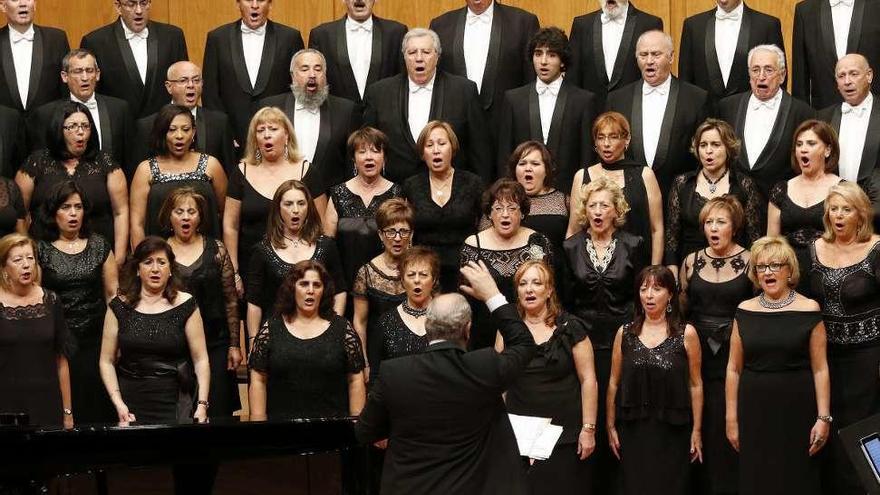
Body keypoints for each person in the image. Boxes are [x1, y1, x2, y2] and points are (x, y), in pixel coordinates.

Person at [355, 260, 538, 495]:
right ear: (468, 328)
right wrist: (492, 295)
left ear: (429, 325)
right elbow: (523, 344)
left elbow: (364, 432)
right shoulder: (485, 367)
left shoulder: (394, 373)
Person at [726, 236, 830, 495]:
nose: (768, 272)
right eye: (761, 267)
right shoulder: (744, 310)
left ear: (789, 270)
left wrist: (823, 417)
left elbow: (820, 368)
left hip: (798, 409)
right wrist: (731, 418)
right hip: (754, 410)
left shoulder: (809, 309)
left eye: (775, 265)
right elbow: (733, 368)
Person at [564, 173, 646, 494]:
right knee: (589, 417)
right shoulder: (570, 248)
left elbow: (641, 296)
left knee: (620, 416)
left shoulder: (634, 244)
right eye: (592, 205)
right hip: (583, 342)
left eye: (605, 205)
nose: (598, 211)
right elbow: (566, 301)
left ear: (617, 210)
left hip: (622, 341)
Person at [499, 260, 598, 495]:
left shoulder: (570, 327)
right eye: (523, 284)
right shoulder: (508, 328)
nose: (529, 289)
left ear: (550, 290)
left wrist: (589, 429)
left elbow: (589, 380)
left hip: (563, 435)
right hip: (519, 434)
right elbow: (499, 381)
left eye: (536, 283)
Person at [679, 196, 753, 495]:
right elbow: (682, 309)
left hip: (736, 354)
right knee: (703, 423)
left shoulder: (751, 260)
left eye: (720, 221)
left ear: (734, 227)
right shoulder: (691, 261)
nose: (713, 227)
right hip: (698, 356)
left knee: (731, 422)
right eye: (708, 222)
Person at [809, 182, 880, 495]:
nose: (838, 215)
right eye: (833, 209)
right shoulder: (813, 249)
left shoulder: (876, 249)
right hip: (827, 360)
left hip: (869, 360)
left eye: (846, 209)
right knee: (831, 435)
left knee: (865, 436)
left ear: (860, 213)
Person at [607, 265, 703, 495]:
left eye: (657, 289)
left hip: (673, 432)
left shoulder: (686, 334)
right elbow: (613, 382)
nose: (648, 295)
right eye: (643, 289)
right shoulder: (625, 333)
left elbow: (696, 384)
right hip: (633, 431)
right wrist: (610, 425)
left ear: (670, 294)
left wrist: (697, 430)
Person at [99, 236, 210, 424]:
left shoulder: (186, 304)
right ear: (137, 269)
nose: (155, 269)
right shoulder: (118, 306)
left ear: (170, 270)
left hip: (175, 400)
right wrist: (118, 402)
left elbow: (201, 360)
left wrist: (202, 405)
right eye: (148, 262)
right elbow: (106, 361)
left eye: (161, 262)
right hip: (129, 401)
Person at [363, 28, 493, 183]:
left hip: (451, 192)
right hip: (395, 192)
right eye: (412, 53)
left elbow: (480, 151)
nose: (419, 58)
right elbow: (367, 146)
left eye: (426, 52)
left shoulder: (464, 91)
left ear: (437, 56)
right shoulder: (379, 93)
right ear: (404, 57)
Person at [35, 181, 118, 424]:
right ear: (53, 212)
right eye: (65, 207)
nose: (73, 214)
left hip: (96, 338)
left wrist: (116, 338)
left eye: (78, 207)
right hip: (59, 340)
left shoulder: (99, 244)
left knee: (96, 405)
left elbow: (113, 295)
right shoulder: (41, 249)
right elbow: (39, 297)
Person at [223, 106, 326, 302]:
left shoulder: (307, 170)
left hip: (301, 270)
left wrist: (317, 265)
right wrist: (234, 271)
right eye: (260, 131)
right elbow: (230, 226)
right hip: (252, 269)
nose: (266, 135)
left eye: (273, 129)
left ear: (287, 135)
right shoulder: (240, 172)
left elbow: (322, 225)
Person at [248, 259, 365, 419]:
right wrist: (258, 426)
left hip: (332, 432)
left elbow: (355, 380)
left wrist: (356, 425)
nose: (310, 290)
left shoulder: (343, 329)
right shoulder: (271, 328)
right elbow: (258, 381)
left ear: (324, 290)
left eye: (317, 285)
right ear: (292, 289)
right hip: (281, 432)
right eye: (303, 284)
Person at [15, 101, 129, 265]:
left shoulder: (106, 163)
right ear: (58, 130)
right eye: (72, 127)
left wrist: (118, 258)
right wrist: (27, 256)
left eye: (85, 126)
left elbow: (121, 213)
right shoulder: (36, 163)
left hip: (97, 259)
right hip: (44, 259)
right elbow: (20, 214)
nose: (81, 133)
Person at [160, 187, 240, 417]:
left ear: (200, 217)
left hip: (215, 342)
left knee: (218, 411)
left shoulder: (217, 249)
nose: (186, 217)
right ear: (169, 216)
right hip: (173, 347)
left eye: (191, 212)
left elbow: (230, 299)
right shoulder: (160, 252)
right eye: (179, 211)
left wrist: (235, 344)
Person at [605, 30, 708, 193]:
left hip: (679, 197)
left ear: (671, 57)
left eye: (656, 54)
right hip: (629, 198)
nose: (649, 61)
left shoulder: (697, 98)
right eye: (643, 55)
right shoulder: (617, 100)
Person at [496, 27, 597, 190]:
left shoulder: (583, 101)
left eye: (551, 55)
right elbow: (505, 157)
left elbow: (587, 158)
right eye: (538, 54)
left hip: (568, 195)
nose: (543, 61)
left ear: (562, 60)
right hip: (522, 197)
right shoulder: (513, 99)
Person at [246, 180, 346, 343]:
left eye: (301, 203)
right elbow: (254, 302)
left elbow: (340, 292)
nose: (295, 210)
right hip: (276, 338)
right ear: (278, 209)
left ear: (309, 207)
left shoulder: (326, 246)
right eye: (288, 204)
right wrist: (252, 340)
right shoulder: (261, 251)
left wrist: (333, 328)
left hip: (320, 334)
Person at [460, 178, 553, 349]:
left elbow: (549, 289)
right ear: (489, 214)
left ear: (522, 213)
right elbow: (465, 296)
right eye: (498, 208)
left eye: (512, 208)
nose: (505, 214)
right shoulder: (473, 244)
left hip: (527, 329)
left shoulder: (537, 242)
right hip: (484, 329)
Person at [718, 44, 816, 199]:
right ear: (749, 74)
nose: (761, 76)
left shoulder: (802, 112)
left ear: (782, 75)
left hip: (780, 204)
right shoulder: (727, 107)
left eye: (768, 70)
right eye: (755, 70)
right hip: (734, 207)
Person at [202, 0, 304, 148]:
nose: (254, 5)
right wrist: (223, 134)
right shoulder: (218, 38)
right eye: (249, 0)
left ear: (270, 4)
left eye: (261, 0)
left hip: (278, 137)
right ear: (237, 4)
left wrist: (287, 132)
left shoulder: (290, 37)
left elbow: (297, 88)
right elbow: (210, 91)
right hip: (233, 140)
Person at [665, 119, 763, 271]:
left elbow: (753, 236)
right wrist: (673, 269)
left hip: (735, 267)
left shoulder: (744, 185)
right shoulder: (682, 183)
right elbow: (672, 234)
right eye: (703, 145)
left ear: (728, 148)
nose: (708, 151)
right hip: (690, 266)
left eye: (716, 145)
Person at [568, 111, 662, 265]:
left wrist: (655, 270)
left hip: (637, 264)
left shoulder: (645, 175)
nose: (606, 143)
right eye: (601, 137)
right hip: (593, 268)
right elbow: (573, 230)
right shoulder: (582, 176)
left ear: (627, 140)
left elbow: (656, 230)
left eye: (613, 137)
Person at [260, 49, 362, 191]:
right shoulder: (270, 107)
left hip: (329, 199)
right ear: (293, 76)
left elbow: (352, 163)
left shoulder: (346, 110)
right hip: (277, 196)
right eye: (304, 69)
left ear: (325, 75)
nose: (312, 75)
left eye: (318, 69)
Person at [429, 0, 540, 128]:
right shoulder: (440, 25)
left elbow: (531, 80)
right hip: (456, 129)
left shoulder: (523, 22)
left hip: (507, 126)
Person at [0, 233, 72, 427]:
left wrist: (68, 412)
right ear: (4, 267)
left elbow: (61, 360)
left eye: (30, 258)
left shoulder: (51, 300)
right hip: (6, 403)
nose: (26, 265)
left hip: (46, 402)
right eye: (17, 260)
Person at [129, 104, 226, 246]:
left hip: (207, 255)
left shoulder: (211, 165)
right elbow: (137, 224)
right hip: (160, 258)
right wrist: (142, 261)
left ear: (193, 132)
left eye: (185, 129)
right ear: (162, 133)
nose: (179, 136)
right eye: (172, 130)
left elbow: (227, 214)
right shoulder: (145, 170)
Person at [403, 120, 483, 292]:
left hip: (465, 270)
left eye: (442, 143)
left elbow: (484, 228)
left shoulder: (473, 183)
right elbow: (407, 232)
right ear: (423, 153)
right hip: (424, 273)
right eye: (429, 145)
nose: (436, 150)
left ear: (452, 148)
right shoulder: (411, 185)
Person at [26, 49, 134, 173]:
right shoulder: (45, 114)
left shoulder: (119, 109)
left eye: (89, 71)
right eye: (78, 71)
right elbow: (40, 163)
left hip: (111, 186)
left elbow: (129, 159)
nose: (85, 78)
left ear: (97, 74)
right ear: (64, 76)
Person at [768, 119, 842, 296]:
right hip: (790, 276)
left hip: (830, 275)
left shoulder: (842, 190)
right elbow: (772, 243)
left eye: (811, 143)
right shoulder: (781, 189)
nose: (803, 149)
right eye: (799, 144)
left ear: (828, 150)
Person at [325, 127, 403, 292]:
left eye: (375, 151)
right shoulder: (338, 193)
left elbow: (405, 242)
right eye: (362, 152)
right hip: (343, 283)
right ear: (353, 159)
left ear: (384, 157)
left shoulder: (397, 194)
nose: (369, 157)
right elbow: (327, 247)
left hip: (387, 283)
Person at [80, 0, 188, 118]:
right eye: (131, 4)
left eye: (143, 3)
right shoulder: (95, 42)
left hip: (164, 127)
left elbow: (183, 85)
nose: (138, 11)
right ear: (118, 7)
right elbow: (92, 94)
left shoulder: (172, 36)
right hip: (120, 129)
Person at [131, 61, 236, 178]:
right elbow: (138, 175)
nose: (191, 85)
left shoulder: (219, 122)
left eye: (196, 80)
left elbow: (230, 172)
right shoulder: (147, 125)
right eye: (183, 80)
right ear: (169, 87)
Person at [678, 0, 784, 104]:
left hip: (750, 114)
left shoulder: (767, 25)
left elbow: (779, 76)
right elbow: (685, 80)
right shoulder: (693, 25)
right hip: (704, 116)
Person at [351, 198, 411, 380]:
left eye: (403, 231)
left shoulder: (422, 269)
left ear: (412, 234)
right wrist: (365, 363)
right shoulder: (366, 272)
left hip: (415, 357)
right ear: (380, 235)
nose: (398, 238)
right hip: (378, 356)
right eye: (391, 232)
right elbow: (360, 322)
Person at [307, 0, 408, 107]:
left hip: (383, 118)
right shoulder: (321, 35)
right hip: (338, 119)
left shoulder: (396, 32)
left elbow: (403, 82)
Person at [568, 0, 663, 106]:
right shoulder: (582, 25)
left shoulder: (649, 23)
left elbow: (656, 76)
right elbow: (573, 77)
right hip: (591, 114)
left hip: (633, 111)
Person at [793, 0, 880, 109]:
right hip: (823, 116)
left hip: (874, 116)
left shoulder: (876, 6)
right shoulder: (805, 10)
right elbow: (800, 76)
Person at [374, 246, 437, 378]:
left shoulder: (448, 318)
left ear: (434, 280)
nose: (417, 280)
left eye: (424, 275)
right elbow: (377, 373)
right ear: (402, 280)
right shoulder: (386, 321)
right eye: (411, 274)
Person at [817, 54, 879, 183]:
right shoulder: (823, 117)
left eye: (853, 74)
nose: (847, 81)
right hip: (835, 199)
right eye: (841, 76)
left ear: (869, 76)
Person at [0, 0, 69, 113]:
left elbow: (66, 87)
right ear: (3, 6)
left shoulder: (57, 39)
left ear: (35, 4)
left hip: (48, 125)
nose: (23, 4)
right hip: (5, 127)